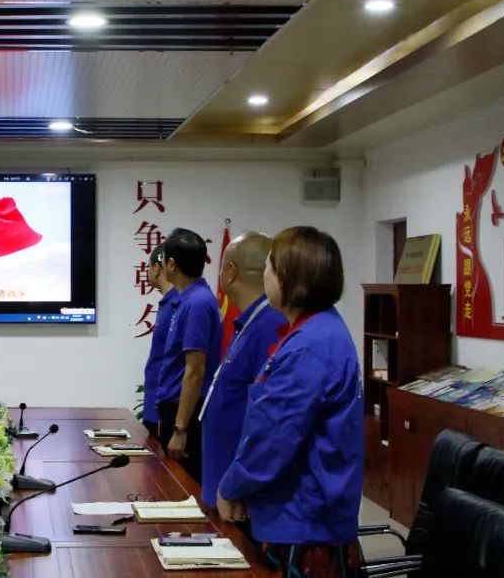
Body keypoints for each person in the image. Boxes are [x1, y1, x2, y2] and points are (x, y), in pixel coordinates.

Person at [217, 226, 363, 578]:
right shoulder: (317, 331)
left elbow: (273, 438)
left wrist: (231, 486)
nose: (264, 275)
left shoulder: (308, 347)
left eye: (270, 266)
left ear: (291, 278)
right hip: (305, 516)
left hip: (304, 525)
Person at [198, 232, 287, 521]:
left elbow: (268, 417)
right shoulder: (249, 322)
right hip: (222, 482)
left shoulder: (270, 325)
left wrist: (240, 485)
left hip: (240, 495)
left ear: (231, 271)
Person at [155, 228, 221, 483]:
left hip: (186, 414)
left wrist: (180, 429)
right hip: (175, 408)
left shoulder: (197, 303)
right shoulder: (187, 299)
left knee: (182, 489)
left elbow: (195, 370)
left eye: (162, 260)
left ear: (171, 264)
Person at [141, 243, 177, 440]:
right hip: (155, 400)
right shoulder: (167, 302)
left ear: (157, 267)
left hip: (165, 404)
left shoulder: (178, 304)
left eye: (149, 266)